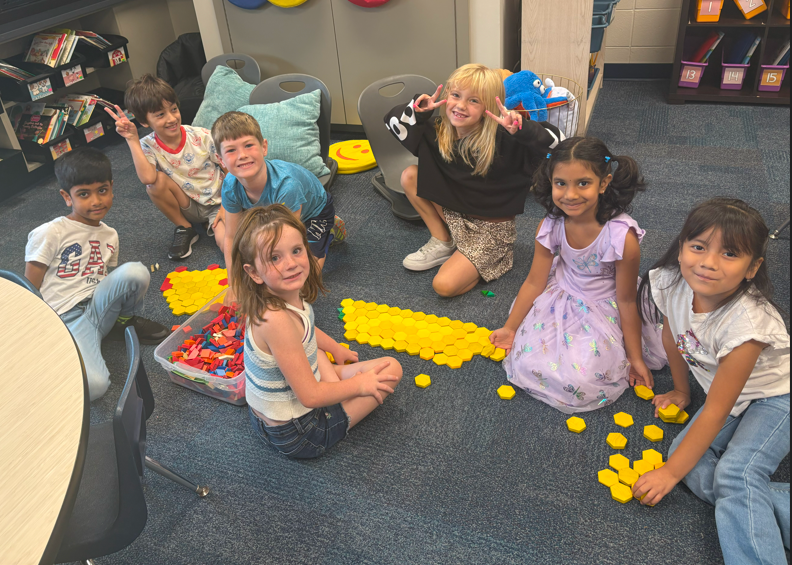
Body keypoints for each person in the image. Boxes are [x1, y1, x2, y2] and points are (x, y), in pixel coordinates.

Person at [632, 198, 789, 564]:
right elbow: (673, 337)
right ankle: (755, 509)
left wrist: (669, 475)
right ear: (683, 246)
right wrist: (682, 389)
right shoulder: (672, 283)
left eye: (729, 253)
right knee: (695, 465)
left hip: (776, 397)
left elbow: (716, 410)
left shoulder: (747, 325)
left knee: (734, 474)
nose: (708, 262)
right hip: (730, 395)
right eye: (698, 246)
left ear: (753, 268)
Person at [490, 137, 666, 412]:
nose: (570, 195)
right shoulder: (551, 225)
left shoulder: (622, 237)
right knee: (526, 362)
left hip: (607, 306)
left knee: (583, 380)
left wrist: (636, 358)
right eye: (561, 183)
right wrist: (510, 328)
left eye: (583, 183)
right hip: (560, 297)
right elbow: (535, 281)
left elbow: (627, 301)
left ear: (604, 183)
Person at [232, 204, 402, 459]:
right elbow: (310, 396)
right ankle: (338, 387)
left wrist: (335, 347)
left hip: (271, 415)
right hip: (298, 434)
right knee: (392, 370)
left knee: (320, 353)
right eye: (274, 258)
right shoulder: (275, 320)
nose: (290, 264)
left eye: (296, 250)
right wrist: (358, 385)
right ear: (254, 273)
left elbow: (306, 330)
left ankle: (335, 381)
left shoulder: (280, 295)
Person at [384, 64, 562, 297]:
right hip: (456, 212)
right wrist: (419, 110)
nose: (460, 105)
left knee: (443, 286)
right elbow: (393, 122)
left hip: (490, 231)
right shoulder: (439, 131)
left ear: (489, 106)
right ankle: (443, 240)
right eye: (455, 95)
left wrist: (524, 130)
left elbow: (558, 146)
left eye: (474, 101)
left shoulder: (506, 140)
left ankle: (489, 258)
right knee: (410, 175)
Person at [24, 148, 168, 401]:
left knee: (136, 271)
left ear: (112, 187)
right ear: (66, 197)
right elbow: (27, 288)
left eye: (102, 190)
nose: (96, 201)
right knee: (95, 387)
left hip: (98, 306)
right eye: (83, 194)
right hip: (64, 318)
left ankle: (120, 324)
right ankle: (60, 353)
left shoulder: (110, 234)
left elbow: (108, 277)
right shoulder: (50, 232)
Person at [214, 111, 345, 280]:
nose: (242, 155)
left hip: (314, 212)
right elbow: (231, 237)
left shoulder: (287, 186)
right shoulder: (230, 185)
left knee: (304, 279)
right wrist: (233, 284)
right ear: (221, 160)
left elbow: (289, 240)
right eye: (231, 150)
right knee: (242, 251)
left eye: (248, 145)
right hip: (270, 212)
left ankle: (331, 229)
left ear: (264, 147)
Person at [106, 74, 225, 260]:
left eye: (174, 109)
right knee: (155, 183)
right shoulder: (147, 145)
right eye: (160, 115)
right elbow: (147, 178)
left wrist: (228, 205)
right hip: (189, 205)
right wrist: (132, 139)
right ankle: (185, 228)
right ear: (145, 122)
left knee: (225, 241)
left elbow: (229, 168)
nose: (171, 118)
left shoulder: (201, 136)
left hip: (219, 202)